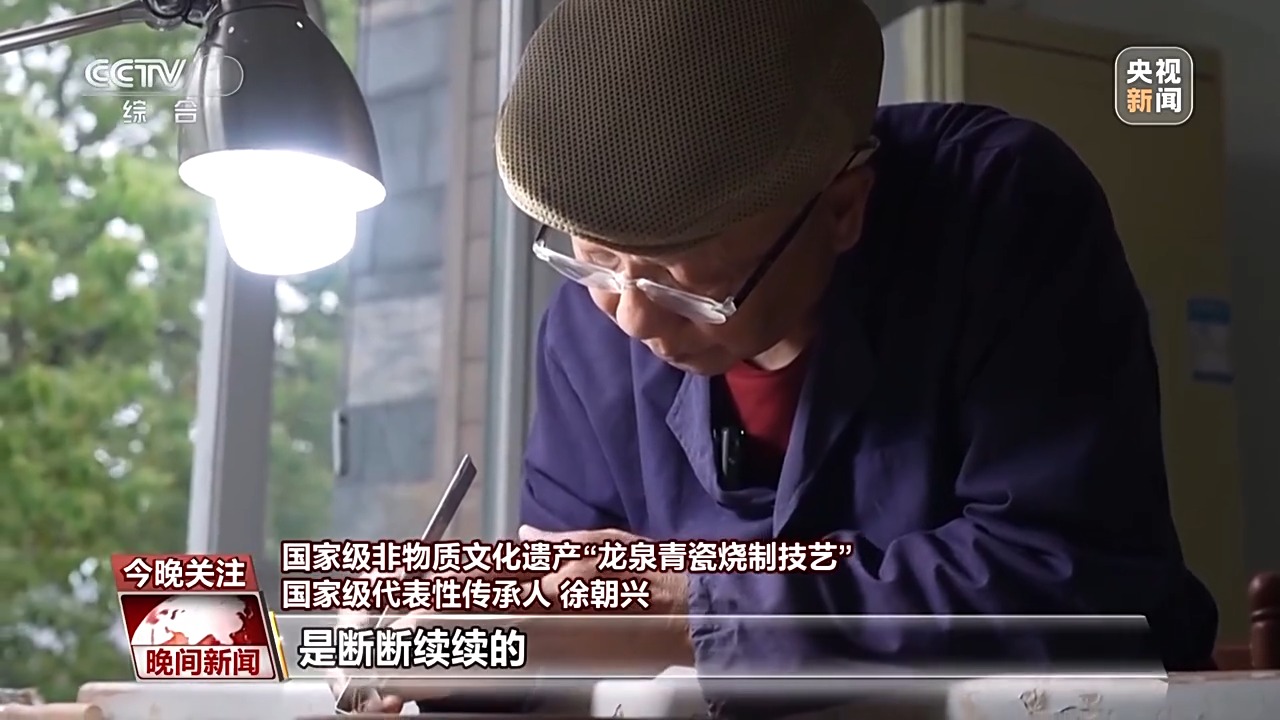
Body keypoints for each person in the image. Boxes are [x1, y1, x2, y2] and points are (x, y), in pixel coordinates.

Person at [356, 0, 1218, 714]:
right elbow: (567, 638)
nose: (630, 316)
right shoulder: (591, 324)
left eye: (681, 282)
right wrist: (469, 656)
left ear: (842, 208)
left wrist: (691, 609)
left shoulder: (1000, 212)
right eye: (593, 259)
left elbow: (1074, 579)